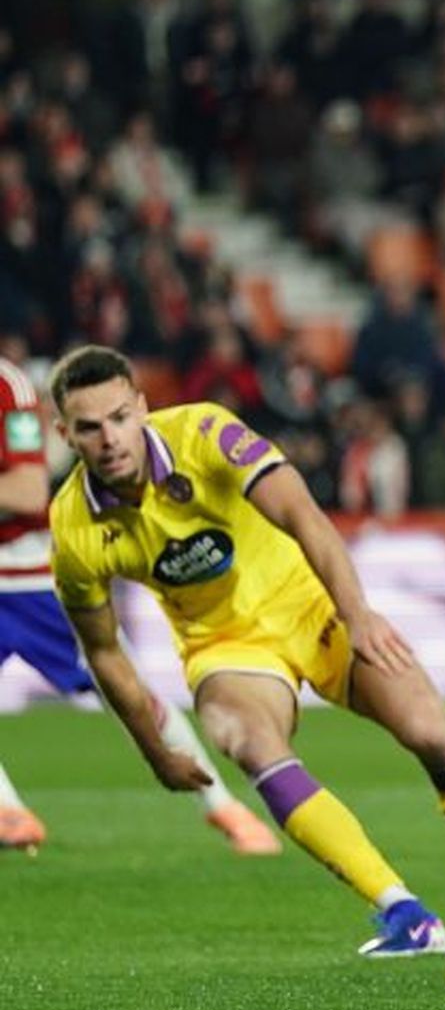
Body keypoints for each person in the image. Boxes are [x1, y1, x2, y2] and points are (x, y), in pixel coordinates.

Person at [44, 346, 445, 956]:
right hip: (225, 646)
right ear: (65, 433)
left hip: (314, 606)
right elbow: (104, 651)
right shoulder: (72, 528)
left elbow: (303, 514)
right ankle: (403, 911)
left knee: (432, 733)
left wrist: (357, 616)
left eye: (120, 417)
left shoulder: (206, 433)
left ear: (142, 407)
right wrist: (157, 752)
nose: (110, 439)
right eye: (89, 428)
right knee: (252, 746)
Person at [0, 355, 278, 856]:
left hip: (28, 576)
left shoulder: (8, 387)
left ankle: (220, 803)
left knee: (129, 691)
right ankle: (8, 811)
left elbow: (25, 490)